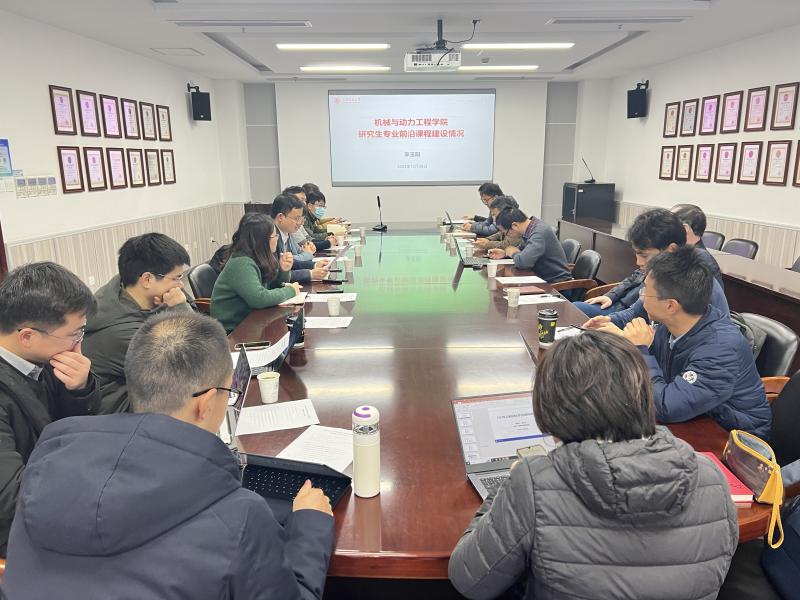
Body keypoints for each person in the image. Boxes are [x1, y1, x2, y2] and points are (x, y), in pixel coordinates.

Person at [4, 312, 335, 598]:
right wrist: (310, 525)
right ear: (206, 403)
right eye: (229, 392)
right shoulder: (240, 516)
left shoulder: (42, 476)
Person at [448, 331, 738, 600]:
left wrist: (505, 487)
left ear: (550, 409)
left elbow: (469, 580)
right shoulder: (711, 477)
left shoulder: (535, 482)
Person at [596, 247, 770, 438]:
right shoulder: (673, 323)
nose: (641, 296)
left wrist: (639, 350)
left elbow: (666, 407)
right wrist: (623, 339)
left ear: (670, 305)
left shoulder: (721, 348)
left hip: (735, 438)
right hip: (694, 417)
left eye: (646, 291)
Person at [0, 262, 100, 555]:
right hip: (19, 532)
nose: (78, 345)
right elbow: (12, 498)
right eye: (75, 334)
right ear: (28, 336)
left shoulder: (41, 360)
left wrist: (79, 389)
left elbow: (73, 430)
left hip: (56, 492)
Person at [83, 233, 192, 414]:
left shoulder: (126, 289)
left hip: (144, 391)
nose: (180, 285)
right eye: (176, 278)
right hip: (124, 414)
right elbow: (193, 362)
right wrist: (179, 307)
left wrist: (175, 305)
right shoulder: (120, 332)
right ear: (147, 279)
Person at [582, 208, 728, 329]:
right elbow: (637, 311)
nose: (638, 262)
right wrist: (609, 320)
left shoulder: (693, 278)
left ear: (671, 249)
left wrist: (640, 345)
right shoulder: (664, 272)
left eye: (644, 255)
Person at [211, 214, 301, 333]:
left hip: (252, 322)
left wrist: (283, 271)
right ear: (262, 240)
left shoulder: (256, 258)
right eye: (275, 236)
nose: (277, 239)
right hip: (233, 331)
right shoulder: (241, 263)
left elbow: (270, 287)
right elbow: (259, 298)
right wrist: (290, 291)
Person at [489, 208, 572, 283]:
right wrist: (505, 253)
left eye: (506, 233)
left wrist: (513, 253)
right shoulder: (531, 228)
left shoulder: (539, 233)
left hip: (556, 284)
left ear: (515, 225)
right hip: (540, 278)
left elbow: (523, 262)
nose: (507, 236)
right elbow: (522, 250)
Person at [270, 194, 330, 284]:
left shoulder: (286, 232)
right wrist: (310, 274)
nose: (300, 223)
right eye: (297, 218)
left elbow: (291, 262)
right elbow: (276, 274)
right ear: (280, 217)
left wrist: (314, 265)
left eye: (301, 219)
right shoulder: (270, 237)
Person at [671, 203, 723, 286]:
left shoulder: (700, 259)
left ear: (685, 229)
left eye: (670, 225)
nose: (665, 230)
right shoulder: (684, 252)